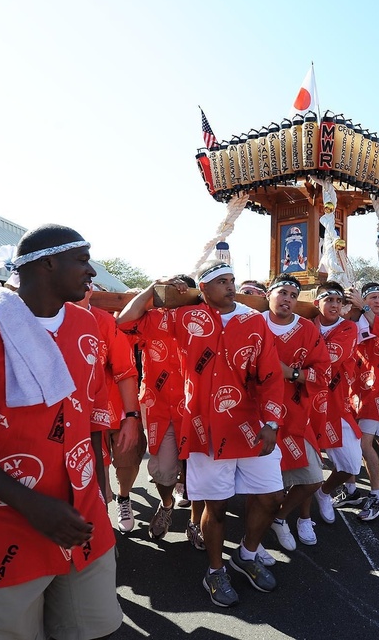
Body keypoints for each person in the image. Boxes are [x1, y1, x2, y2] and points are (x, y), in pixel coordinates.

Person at [0, 224, 122, 638]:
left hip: (84, 524)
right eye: (83, 260)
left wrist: (100, 498)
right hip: (4, 533)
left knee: (92, 631)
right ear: (48, 263)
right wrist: (33, 506)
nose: (92, 273)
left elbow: (90, 425)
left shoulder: (87, 326)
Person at [121, 260, 285, 607]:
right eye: (221, 281)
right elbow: (126, 322)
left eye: (232, 280)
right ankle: (215, 570)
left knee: (271, 498)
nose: (229, 286)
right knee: (216, 506)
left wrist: (271, 422)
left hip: (253, 427)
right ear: (203, 289)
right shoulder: (184, 318)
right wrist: (154, 288)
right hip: (204, 428)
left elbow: (271, 374)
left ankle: (247, 554)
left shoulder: (253, 320)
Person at [118, 275, 201, 545]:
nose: (178, 295)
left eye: (184, 291)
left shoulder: (205, 318)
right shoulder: (154, 318)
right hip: (160, 406)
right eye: (173, 290)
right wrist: (152, 287)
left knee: (198, 472)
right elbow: (123, 322)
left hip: (199, 409)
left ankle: (196, 522)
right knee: (163, 470)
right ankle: (166, 506)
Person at [263, 275, 331, 551]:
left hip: (295, 415)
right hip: (255, 416)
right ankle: (252, 545)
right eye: (282, 292)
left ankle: (279, 518)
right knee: (265, 489)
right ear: (269, 294)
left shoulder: (306, 329)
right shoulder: (252, 323)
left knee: (312, 478)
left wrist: (290, 372)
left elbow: (323, 372)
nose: (288, 298)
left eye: (293, 294)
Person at [76, 283, 144, 534]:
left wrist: (132, 417)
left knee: (127, 460)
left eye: (85, 286)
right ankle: (101, 528)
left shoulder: (104, 321)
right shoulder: (50, 317)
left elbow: (125, 370)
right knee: (94, 471)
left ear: (91, 291)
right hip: (79, 414)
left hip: (115, 406)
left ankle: (124, 498)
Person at [338, 282, 379, 521]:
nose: (377, 301)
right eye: (371, 297)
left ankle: (377, 496)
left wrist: (363, 307)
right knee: (348, 442)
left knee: (364, 445)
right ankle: (351, 490)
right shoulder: (355, 320)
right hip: (354, 391)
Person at [310, 282, 363, 525]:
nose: (334, 305)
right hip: (302, 401)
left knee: (351, 463)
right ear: (315, 303)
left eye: (338, 301)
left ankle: (323, 493)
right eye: (328, 299)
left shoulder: (348, 327)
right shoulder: (304, 324)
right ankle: (299, 517)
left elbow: (330, 357)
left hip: (335, 402)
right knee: (298, 465)